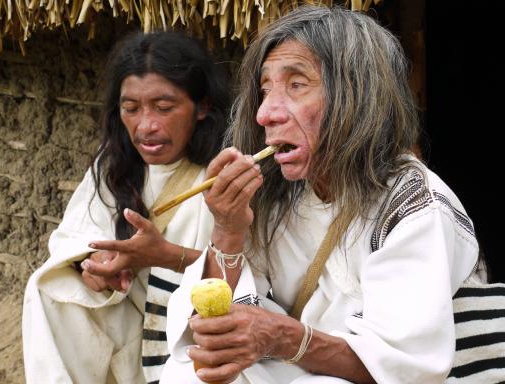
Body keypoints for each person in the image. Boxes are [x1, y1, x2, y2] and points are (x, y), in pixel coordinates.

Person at [160, 5, 484, 384]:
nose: (266, 113)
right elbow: (210, 326)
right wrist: (228, 230)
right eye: (264, 90)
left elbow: (404, 365)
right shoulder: (277, 195)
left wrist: (282, 336)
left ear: (356, 97)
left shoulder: (413, 205)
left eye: (296, 85)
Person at [22, 31, 229, 384]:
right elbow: (74, 238)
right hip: (133, 323)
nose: (146, 125)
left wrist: (163, 255)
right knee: (49, 288)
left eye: (164, 108)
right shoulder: (114, 165)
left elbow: (254, 281)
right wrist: (93, 265)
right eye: (131, 109)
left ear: (202, 106)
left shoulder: (225, 172)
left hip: (197, 335)